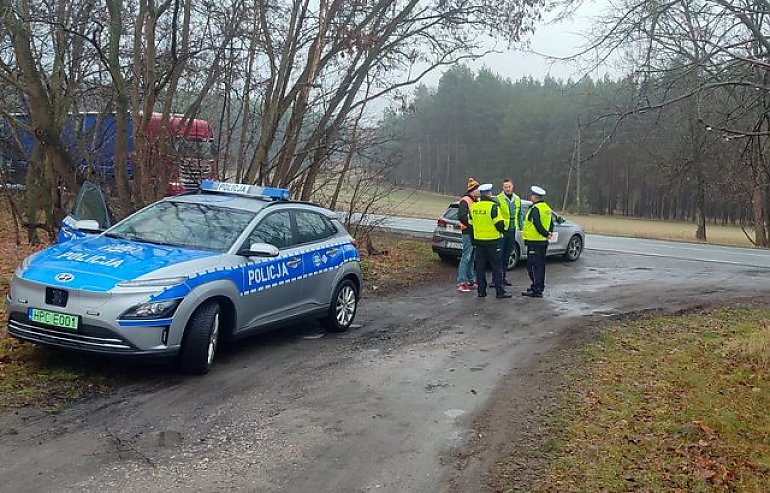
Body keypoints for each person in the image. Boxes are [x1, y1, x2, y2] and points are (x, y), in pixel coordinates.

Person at [469, 183, 511, 298]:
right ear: (489, 194)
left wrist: (473, 240)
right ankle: (499, 291)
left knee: (480, 268)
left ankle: (481, 291)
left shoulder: (474, 207)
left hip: (479, 242)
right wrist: (503, 231)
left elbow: (470, 226)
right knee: (496, 267)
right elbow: (499, 224)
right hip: (493, 241)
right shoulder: (493, 207)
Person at [521, 185, 554, 298]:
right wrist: (549, 233)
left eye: (532, 195)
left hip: (534, 241)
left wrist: (545, 233)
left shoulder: (535, 209)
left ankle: (536, 289)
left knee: (532, 266)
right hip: (543, 242)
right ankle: (539, 286)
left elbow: (537, 223)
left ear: (535, 197)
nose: (531, 197)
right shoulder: (547, 208)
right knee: (540, 266)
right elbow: (551, 223)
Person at [495, 179, 523, 286]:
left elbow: (519, 214)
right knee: (498, 256)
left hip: (512, 230)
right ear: (503, 188)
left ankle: (503, 277)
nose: (507, 189)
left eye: (509, 186)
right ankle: (496, 279)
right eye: (505, 187)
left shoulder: (517, 199)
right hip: (502, 231)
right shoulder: (498, 199)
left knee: (507, 255)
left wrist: (521, 228)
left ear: (513, 187)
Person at [456, 178, 480, 292]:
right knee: (466, 257)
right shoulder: (465, 201)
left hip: (474, 232)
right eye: (477, 189)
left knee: (471, 257)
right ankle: (461, 282)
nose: (479, 191)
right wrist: (472, 225)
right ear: (473, 190)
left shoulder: (475, 201)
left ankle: (470, 280)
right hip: (467, 232)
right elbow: (461, 216)